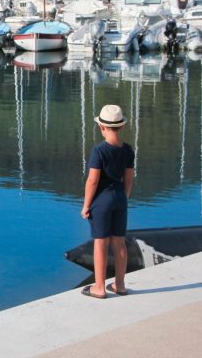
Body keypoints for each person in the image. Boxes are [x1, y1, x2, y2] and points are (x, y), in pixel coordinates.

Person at [80, 104, 135, 299]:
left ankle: (100, 287)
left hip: (102, 200)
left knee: (100, 243)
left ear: (101, 127)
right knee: (119, 242)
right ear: (121, 126)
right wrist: (124, 197)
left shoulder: (99, 151)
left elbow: (93, 180)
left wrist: (86, 205)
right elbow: (129, 177)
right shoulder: (127, 150)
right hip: (120, 197)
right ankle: (119, 285)